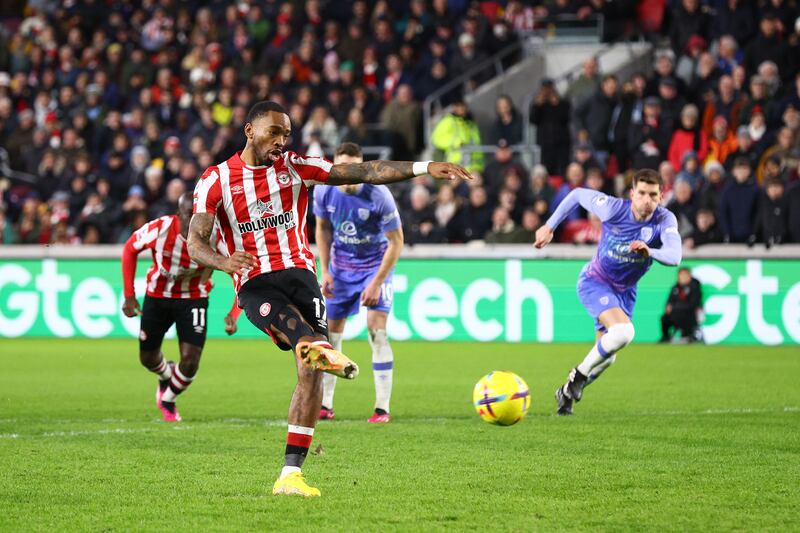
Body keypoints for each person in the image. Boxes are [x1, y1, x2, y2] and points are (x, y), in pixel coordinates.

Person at [187, 101, 470, 498]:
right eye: (274, 132)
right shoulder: (215, 180)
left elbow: (363, 171)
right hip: (255, 282)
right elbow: (195, 241)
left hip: (301, 278)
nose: (282, 141)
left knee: (309, 370)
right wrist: (223, 261)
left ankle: (291, 475)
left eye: (287, 134)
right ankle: (322, 350)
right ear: (249, 131)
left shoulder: (297, 167)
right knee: (305, 344)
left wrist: (424, 168)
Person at [534, 169, 682, 415]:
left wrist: (650, 251)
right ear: (632, 194)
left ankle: (566, 391)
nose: (647, 200)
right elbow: (577, 194)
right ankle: (578, 376)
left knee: (608, 356)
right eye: (642, 193)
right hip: (596, 281)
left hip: (624, 292)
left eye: (653, 195)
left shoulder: (664, 220)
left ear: (661, 196)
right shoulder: (613, 208)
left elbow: (675, 256)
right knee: (624, 332)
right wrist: (549, 226)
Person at [120, 193, 237, 423]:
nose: (193, 222)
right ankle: (166, 373)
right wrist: (129, 296)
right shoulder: (160, 229)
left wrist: (234, 313)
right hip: (157, 297)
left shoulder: (217, 238)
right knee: (147, 358)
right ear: (178, 214)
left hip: (194, 298)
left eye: (198, 217)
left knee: (191, 361)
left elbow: (238, 271)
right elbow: (129, 249)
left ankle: (168, 398)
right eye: (188, 216)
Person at [313, 143, 403, 424]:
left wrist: (376, 282)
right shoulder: (323, 189)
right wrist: (324, 270)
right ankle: (326, 405)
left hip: (375, 267)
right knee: (331, 336)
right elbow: (322, 228)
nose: (349, 174)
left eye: (355, 168)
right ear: (335, 167)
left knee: (377, 332)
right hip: (340, 270)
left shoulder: (379, 195)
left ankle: (382, 408)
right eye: (344, 168)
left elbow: (396, 242)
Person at [659, 267, 703, 343]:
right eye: (679, 275)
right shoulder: (675, 288)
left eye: (683, 275)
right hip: (676, 314)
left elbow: (693, 304)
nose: (680, 277)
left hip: (690, 315)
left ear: (689, 276)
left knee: (683, 316)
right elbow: (669, 301)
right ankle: (666, 337)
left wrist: (675, 307)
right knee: (665, 318)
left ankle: (689, 336)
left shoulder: (694, 287)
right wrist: (668, 306)